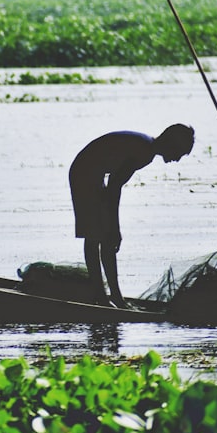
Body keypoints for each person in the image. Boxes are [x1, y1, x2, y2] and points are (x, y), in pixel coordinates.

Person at [69, 124, 195, 308]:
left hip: (94, 173)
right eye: (180, 153)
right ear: (171, 144)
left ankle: (113, 295)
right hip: (84, 172)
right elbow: (114, 187)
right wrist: (115, 229)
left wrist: (112, 228)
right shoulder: (144, 151)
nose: (177, 159)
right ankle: (103, 297)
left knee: (105, 237)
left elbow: (113, 185)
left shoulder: (146, 149)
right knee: (96, 235)